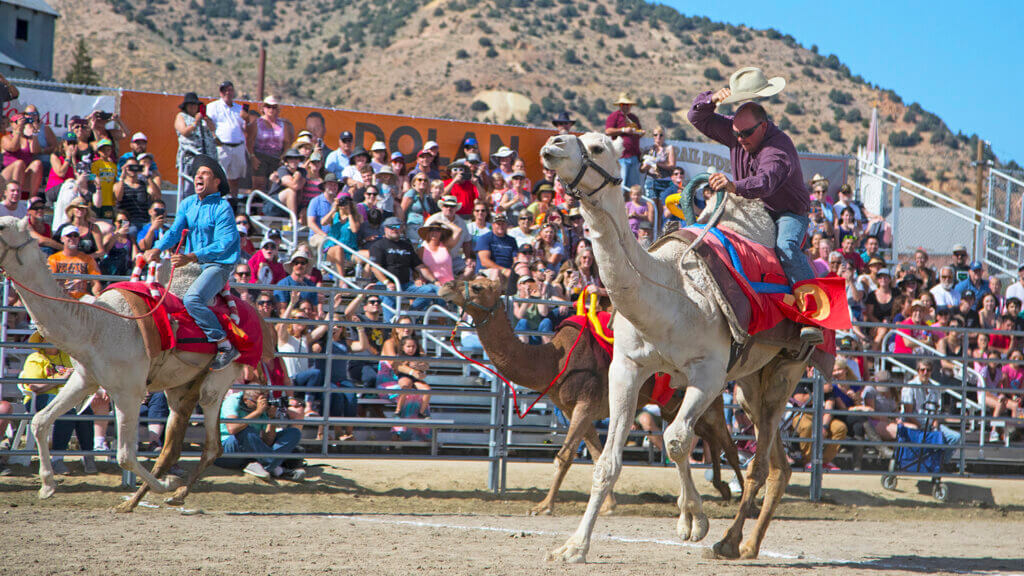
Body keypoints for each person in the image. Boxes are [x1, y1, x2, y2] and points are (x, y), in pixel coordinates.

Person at [688, 69, 821, 344]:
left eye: (745, 134)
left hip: (786, 212)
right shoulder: (739, 131)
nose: (739, 139)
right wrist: (711, 100)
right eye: (735, 134)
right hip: (750, 202)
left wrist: (733, 186)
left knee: (785, 247)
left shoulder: (778, 149)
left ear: (763, 127)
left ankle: (813, 315)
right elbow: (696, 117)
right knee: (713, 234)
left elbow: (765, 182)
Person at [144, 155, 240, 370]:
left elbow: (224, 244)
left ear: (217, 182)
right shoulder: (187, 203)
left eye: (205, 173)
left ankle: (224, 344)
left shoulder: (223, 208)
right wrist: (157, 248)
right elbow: (175, 231)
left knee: (193, 299)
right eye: (197, 173)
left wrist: (192, 256)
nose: (198, 175)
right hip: (191, 262)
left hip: (217, 265)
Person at [18, 332, 96, 474]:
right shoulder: (35, 358)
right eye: (48, 337)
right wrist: (62, 378)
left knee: (86, 411)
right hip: (39, 399)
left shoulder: (67, 357)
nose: (53, 339)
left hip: (65, 398)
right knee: (66, 410)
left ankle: (88, 455)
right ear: (41, 341)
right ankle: (57, 458)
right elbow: (35, 387)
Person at [215, 389, 305, 481]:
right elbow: (232, 428)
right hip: (225, 452)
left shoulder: (264, 406)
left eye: (263, 402)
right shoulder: (233, 400)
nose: (262, 405)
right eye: (256, 403)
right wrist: (257, 412)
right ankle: (274, 467)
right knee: (245, 430)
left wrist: (271, 418)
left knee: (293, 433)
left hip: (252, 452)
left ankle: (263, 465)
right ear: (246, 400)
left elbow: (268, 441)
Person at [902, 361, 962, 447]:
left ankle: (941, 460)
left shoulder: (935, 388)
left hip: (930, 426)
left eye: (928, 370)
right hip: (915, 426)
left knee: (955, 437)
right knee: (931, 439)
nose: (925, 373)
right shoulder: (910, 387)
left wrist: (934, 428)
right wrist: (923, 427)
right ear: (918, 371)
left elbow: (936, 414)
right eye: (922, 370)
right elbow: (908, 413)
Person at [205, 80, 249, 197]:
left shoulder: (239, 109)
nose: (227, 93)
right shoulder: (213, 106)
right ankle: (216, 202)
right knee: (218, 178)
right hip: (222, 146)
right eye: (224, 90)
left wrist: (247, 119)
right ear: (220, 92)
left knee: (234, 179)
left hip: (237, 146)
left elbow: (245, 128)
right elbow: (208, 123)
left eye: (230, 90)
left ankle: (233, 203)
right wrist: (214, 136)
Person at [174, 92, 216, 199]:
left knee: (205, 187)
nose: (193, 107)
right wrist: (195, 122)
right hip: (190, 158)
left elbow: (213, 130)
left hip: (206, 158)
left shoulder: (204, 120)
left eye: (195, 104)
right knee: (189, 188)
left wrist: (206, 119)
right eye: (190, 105)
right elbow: (184, 132)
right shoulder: (181, 116)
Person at [424, 195, 473, 279]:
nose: (449, 208)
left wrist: (468, 258)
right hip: (435, 258)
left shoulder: (461, 222)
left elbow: (466, 242)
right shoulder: (433, 219)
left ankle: (455, 286)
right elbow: (424, 241)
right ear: (442, 207)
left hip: (454, 258)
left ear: (456, 208)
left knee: (470, 269)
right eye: (446, 206)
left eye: (452, 206)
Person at [48, 224, 102, 299]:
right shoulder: (53, 259)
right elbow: (50, 282)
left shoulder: (87, 259)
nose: (72, 238)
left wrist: (97, 296)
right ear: (62, 239)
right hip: (61, 297)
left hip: (82, 298)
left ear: (79, 239)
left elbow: (95, 282)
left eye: (75, 235)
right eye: (69, 235)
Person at [605, 92, 643, 191]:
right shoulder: (614, 116)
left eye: (627, 104)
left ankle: (629, 205)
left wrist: (639, 133)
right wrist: (623, 130)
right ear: (620, 105)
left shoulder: (634, 118)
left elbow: (639, 131)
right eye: (623, 104)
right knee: (621, 186)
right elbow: (608, 131)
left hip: (634, 156)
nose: (626, 106)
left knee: (634, 187)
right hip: (621, 157)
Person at [2, 111, 44, 196]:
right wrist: (18, 130)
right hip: (7, 176)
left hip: (24, 175)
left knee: (37, 163)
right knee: (19, 163)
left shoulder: (28, 139)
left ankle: (32, 198)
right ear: (12, 124)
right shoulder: (6, 138)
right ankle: (14, 193)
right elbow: (13, 147)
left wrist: (35, 133)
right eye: (18, 122)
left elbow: (36, 150)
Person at [475, 212, 518, 285]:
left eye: (503, 224)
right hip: (487, 271)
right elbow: (484, 261)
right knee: (496, 272)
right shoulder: (485, 238)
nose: (501, 226)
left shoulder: (512, 240)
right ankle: (495, 295)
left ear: (506, 225)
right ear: (493, 225)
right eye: (498, 224)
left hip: (507, 271)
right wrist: (504, 270)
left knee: (522, 269)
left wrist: (515, 269)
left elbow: (515, 259)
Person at [274, 246, 319, 313]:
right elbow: (281, 311)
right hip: (289, 322)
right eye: (296, 262)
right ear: (292, 265)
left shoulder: (311, 285)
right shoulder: (282, 284)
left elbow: (314, 312)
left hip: (307, 321)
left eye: (303, 263)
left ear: (306, 265)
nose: (299, 265)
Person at [513, 276, 554, 344]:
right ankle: (523, 349)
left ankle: (546, 350)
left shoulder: (536, 298)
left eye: (531, 283)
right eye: (526, 283)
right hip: (519, 334)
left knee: (546, 321)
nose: (529, 285)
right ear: (519, 286)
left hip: (536, 334)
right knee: (523, 322)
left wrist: (542, 294)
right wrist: (527, 298)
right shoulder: (514, 298)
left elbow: (543, 313)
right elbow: (519, 315)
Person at [640, 127, 676, 203]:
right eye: (655, 135)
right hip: (651, 180)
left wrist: (657, 164)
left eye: (661, 135)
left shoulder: (669, 148)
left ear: (664, 136)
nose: (658, 137)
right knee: (651, 206)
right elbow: (641, 170)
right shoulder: (648, 149)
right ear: (653, 136)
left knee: (661, 207)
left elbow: (672, 165)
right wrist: (647, 165)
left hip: (664, 181)